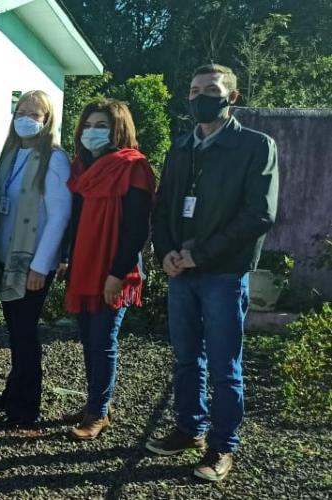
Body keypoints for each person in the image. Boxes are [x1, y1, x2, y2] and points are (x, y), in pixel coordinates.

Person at [147, 64, 279, 483]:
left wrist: (199, 255)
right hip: (179, 273)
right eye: (194, 89)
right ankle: (189, 428)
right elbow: (164, 206)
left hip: (222, 274)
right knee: (187, 359)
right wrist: (166, 252)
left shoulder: (256, 146)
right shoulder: (181, 147)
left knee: (225, 365)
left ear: (232, 97)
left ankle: (223, 446)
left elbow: (259, 214)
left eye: (211, 89)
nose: (201, 96)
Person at [62, 99, 155, 440]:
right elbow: (74, 221)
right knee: (89, 339)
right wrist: (66, 258)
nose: (91, 132)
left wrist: (117, 274)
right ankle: (98, 401)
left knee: (103, 340)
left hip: (115, 269)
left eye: (100, 125)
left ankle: (97, 414)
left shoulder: (134, 167)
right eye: (87, 125)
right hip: (84, 265)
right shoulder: (81, 167)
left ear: (118, 129)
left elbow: (136, 229)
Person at [0, 90, 72, 429]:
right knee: (15, 329)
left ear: (47, 120)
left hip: (32, 263)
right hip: (8, 258)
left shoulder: (54, 158)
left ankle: (26, 407)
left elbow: (60, 214)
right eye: (21, 110)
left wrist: (40, 265)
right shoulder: (10, 153)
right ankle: (14, 390)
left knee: (25, 332)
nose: (26, 118)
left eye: (35, 113)